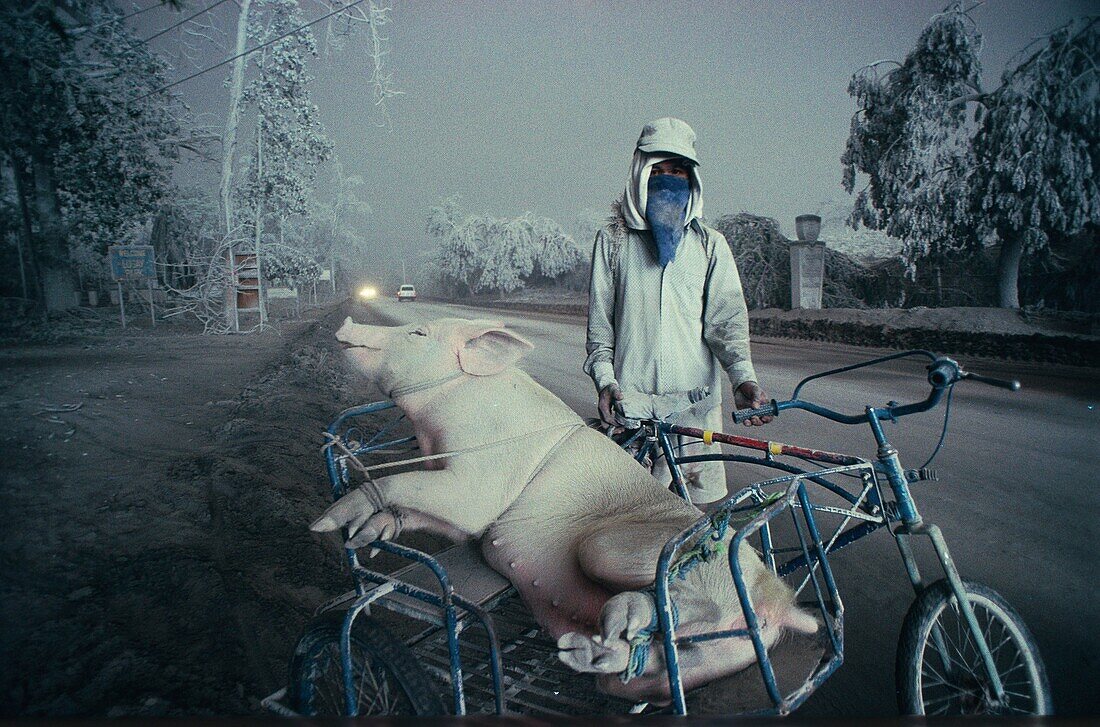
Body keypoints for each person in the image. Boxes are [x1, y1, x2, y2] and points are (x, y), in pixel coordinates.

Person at [584, 117, 772, 511]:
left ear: (692, 179)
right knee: (630, 528)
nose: (669, 181)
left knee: (690, 527)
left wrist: (743, 380)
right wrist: (606, 383)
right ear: (641, 172)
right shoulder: (613, 243)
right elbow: (601, 334)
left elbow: (727, 327)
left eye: (679, 172)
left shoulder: (710, 246)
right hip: (631, 415)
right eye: (660, 171)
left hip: (695, 415)